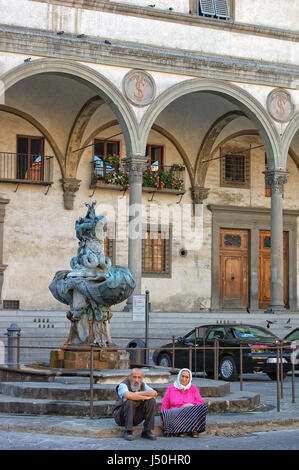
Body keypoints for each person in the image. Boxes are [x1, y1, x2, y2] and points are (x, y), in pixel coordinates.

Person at [160, 368, 208, 437]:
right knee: (171, 416)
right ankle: (191, 429)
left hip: (190, 414)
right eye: (182, 376)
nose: (184, 379)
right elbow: (165, 405)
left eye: (186, 377)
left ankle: (182, 430)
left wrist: (190, 406)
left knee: (201, 407)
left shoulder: (193, 388)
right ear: (179, 376)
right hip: (176, 415)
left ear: (189, 379)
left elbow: (200, 402)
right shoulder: (171, 388)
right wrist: (163, 419)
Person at [113, 368, 158, 441]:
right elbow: (128, 395)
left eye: (139, 377)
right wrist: (145, 397)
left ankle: (147, 431)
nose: (137, 380)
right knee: (129, 401)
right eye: (134, 377)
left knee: (151, 401)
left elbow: (154, 393)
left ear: (142, 378)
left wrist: (136, 394)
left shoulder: (143, 385)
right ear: (129, 377)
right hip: (121, 417)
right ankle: (128, 431)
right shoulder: (123, 385)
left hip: (135, 417)